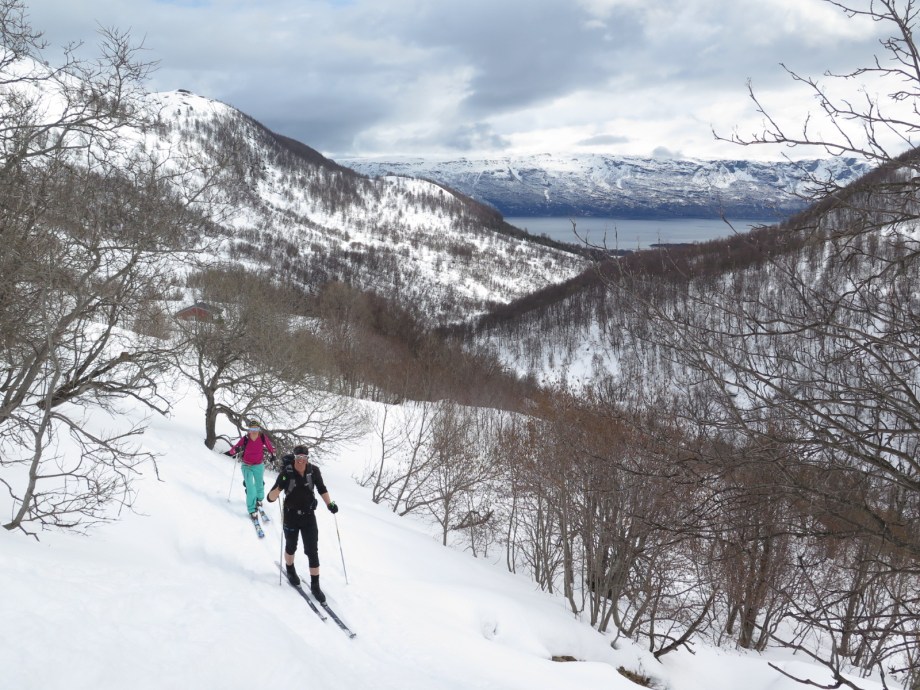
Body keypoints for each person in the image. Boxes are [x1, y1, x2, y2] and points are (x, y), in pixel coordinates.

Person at [266, 444, 339, 602]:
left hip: (308, 516)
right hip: (291, 515)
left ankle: (315, 586)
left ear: (307, 459)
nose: (301, 461)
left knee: (312, 551)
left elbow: (321, 488)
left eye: (304, 458)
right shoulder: (287, 472)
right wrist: (280, 485)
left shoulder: (313, 471)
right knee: (291, 546)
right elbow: (270, 498)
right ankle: (290, 570)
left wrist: (329, 504)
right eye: (298, 457)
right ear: (294, 457)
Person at [226, 419, 276, 520]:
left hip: (258, 465)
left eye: (256, 428)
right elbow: (233, 450)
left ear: (259, 429)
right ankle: (252, 509)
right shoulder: (245, 438)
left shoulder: (262, 437)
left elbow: (270, 447)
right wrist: (235, 450)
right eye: (252, 428)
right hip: (247, 466)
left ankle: (259, 499)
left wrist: (273, 454)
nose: (254, 431)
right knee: (251, 488)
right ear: (249, 429)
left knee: (259, 484)